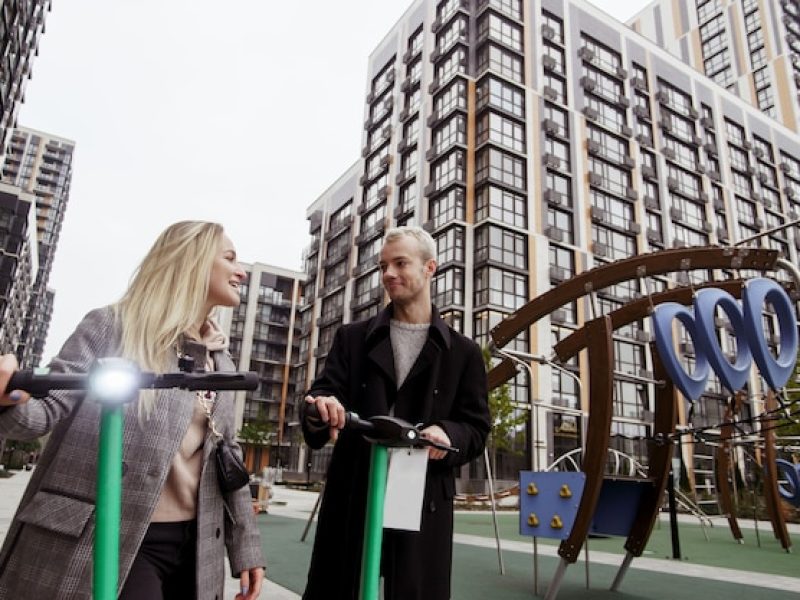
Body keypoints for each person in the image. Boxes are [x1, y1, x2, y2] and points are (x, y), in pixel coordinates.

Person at [0, 221, 264, 600]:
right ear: (191, 262)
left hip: (194, 546)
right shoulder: (112, 326)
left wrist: (245, 547)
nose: (241, 271)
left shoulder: (220, 360)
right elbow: (47, 410)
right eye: (229, 258)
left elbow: (229, 454)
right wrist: (10, 397)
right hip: (106, 532)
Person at [301, 225, 490, 600]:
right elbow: (320, 396)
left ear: (429, 268)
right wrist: (323, 406)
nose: (388, 274)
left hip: (422, 496)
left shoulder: (464, 353)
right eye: (383, 266)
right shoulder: (351, 338)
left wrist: (449, 433)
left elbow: (476, 427)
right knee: (338, 588)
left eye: (400, 263)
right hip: (356, 489)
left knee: (415, 591)